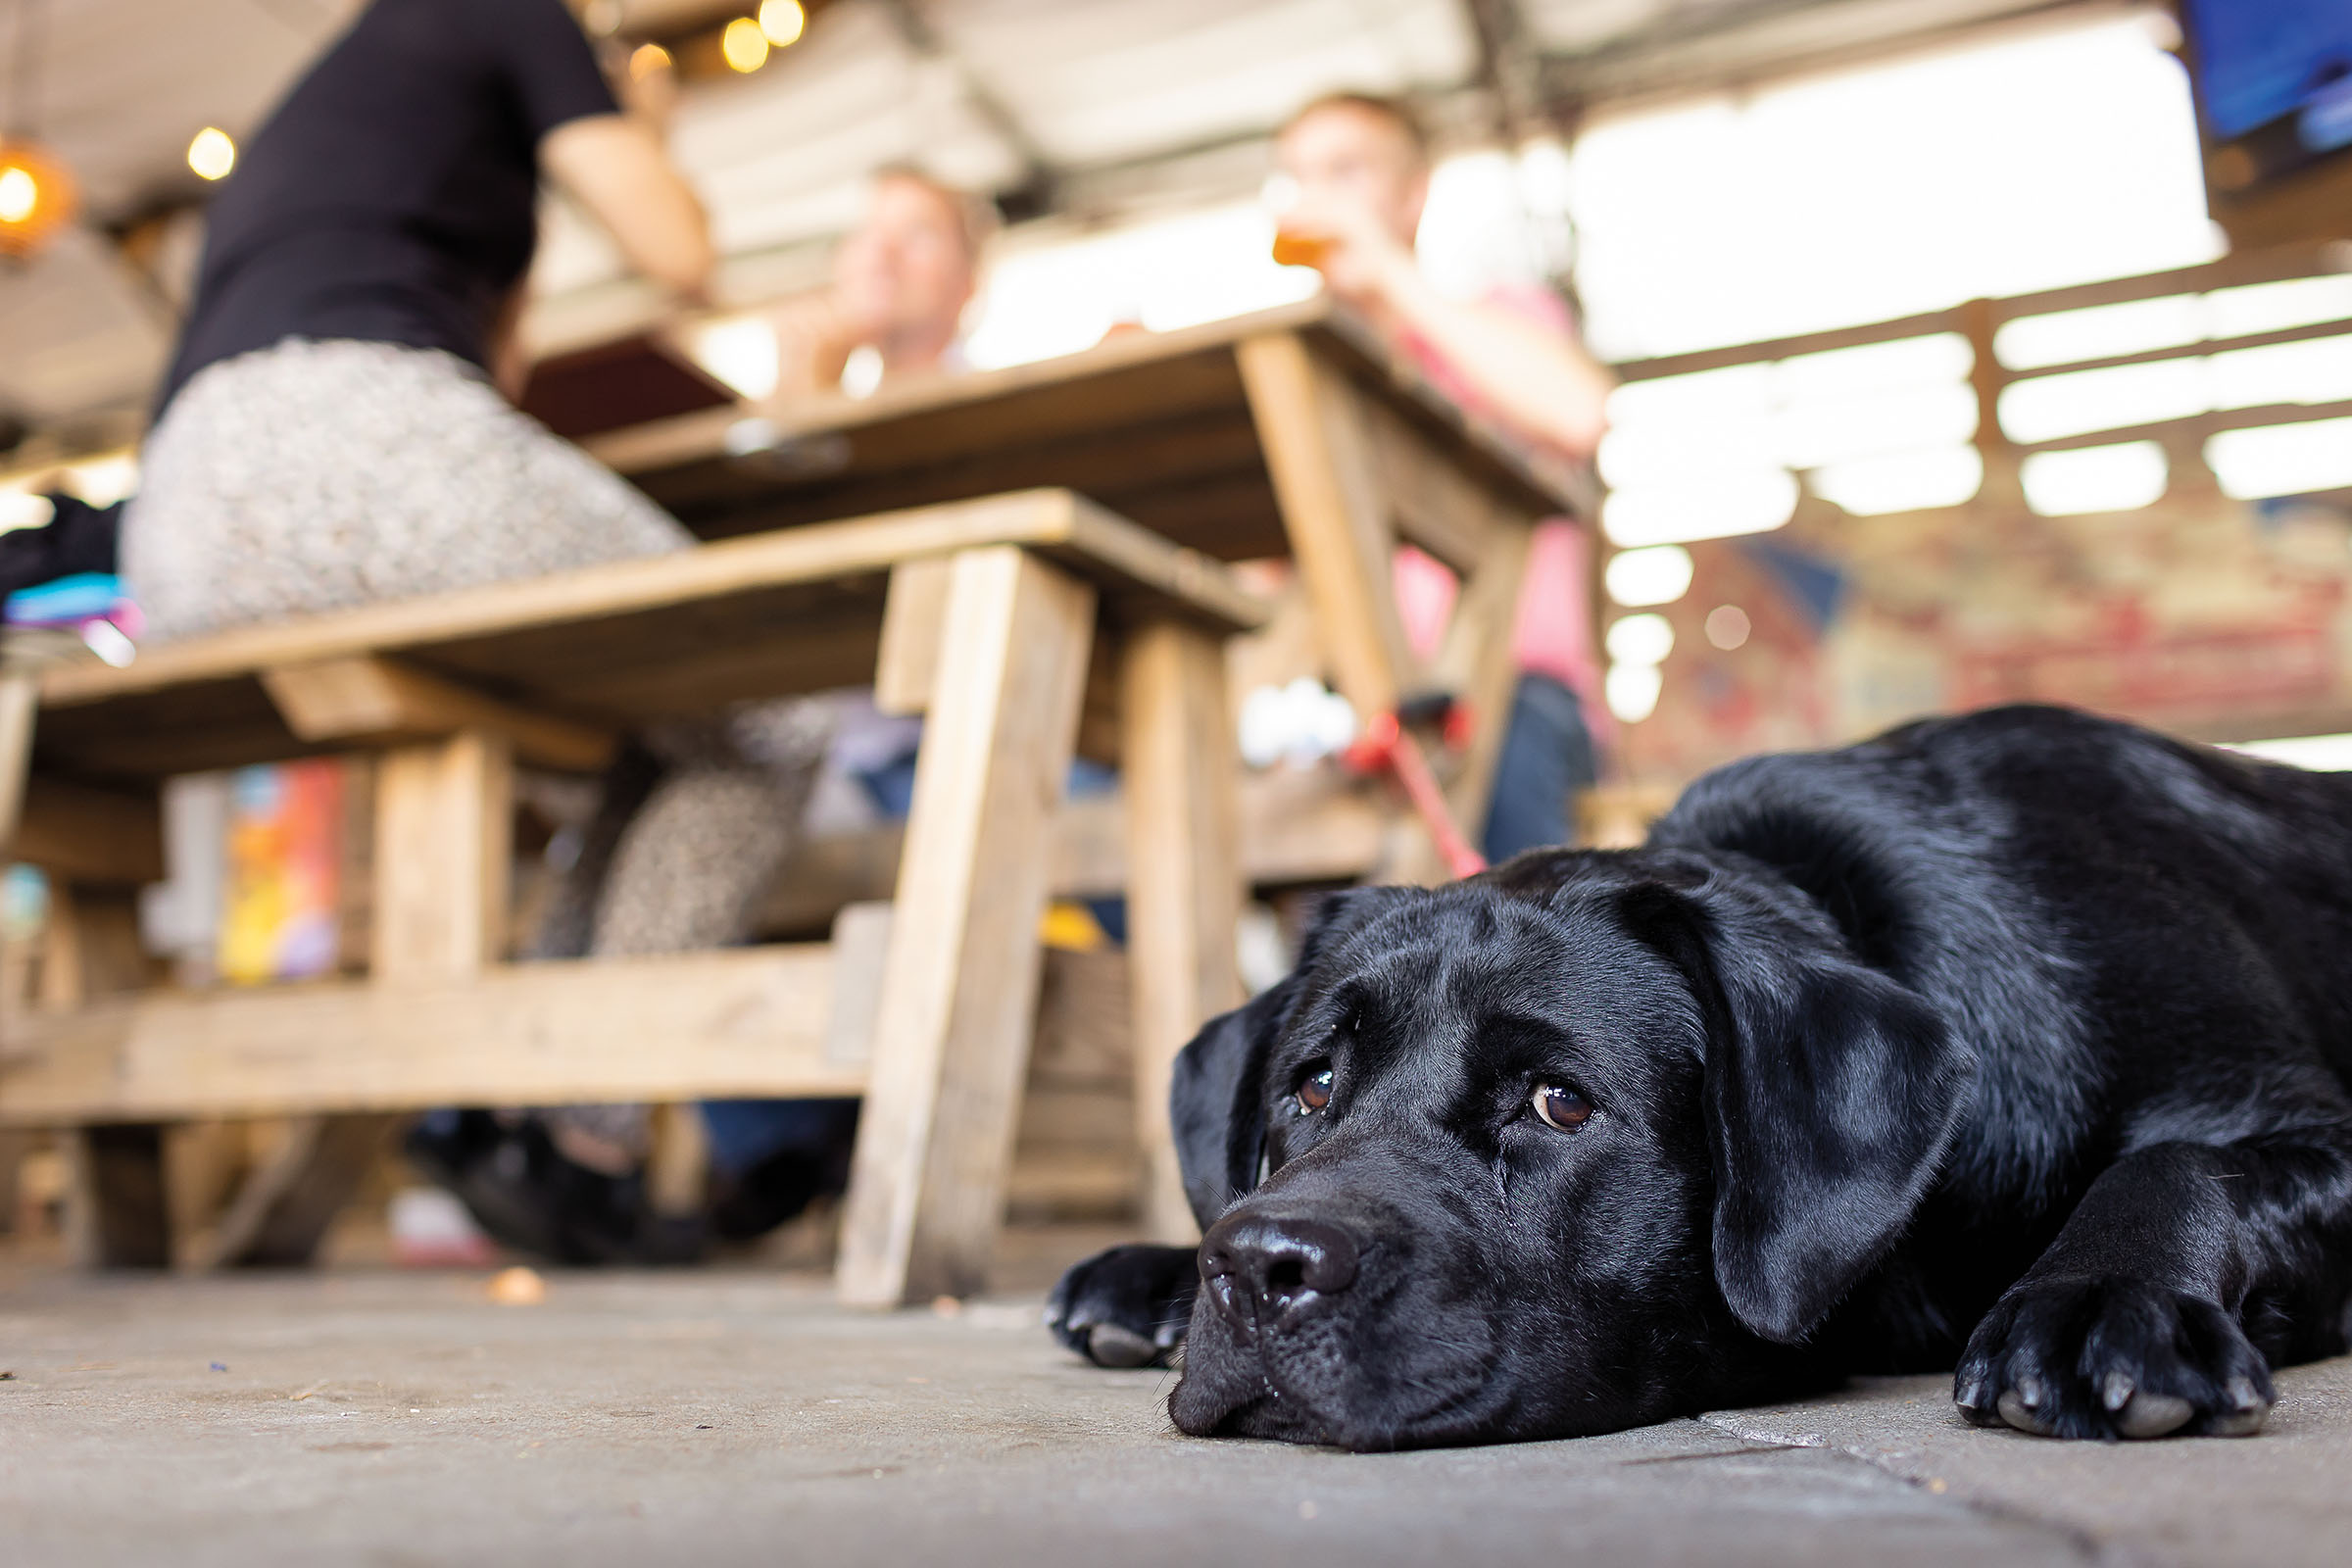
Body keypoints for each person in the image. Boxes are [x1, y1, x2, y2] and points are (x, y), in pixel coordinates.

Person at [120, 0, 841, 1262]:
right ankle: (583, 1144)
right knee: (777, 710)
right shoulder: (510, 7)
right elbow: (679, 249)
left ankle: (520, 1121)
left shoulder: (344, 97)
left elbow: (495, 363)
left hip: (175, 518)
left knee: (668, 735)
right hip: (354, 446)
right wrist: (634, 119)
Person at [1270, 92, 1617, 859]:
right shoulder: (1304, 377)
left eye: (1344, 171)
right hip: (1352, 718)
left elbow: (1580, 411)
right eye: (1296, 176)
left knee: (1512, 910)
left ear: (1412, 192)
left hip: (1518, 699)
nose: (1313, 196)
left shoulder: (1498, 316)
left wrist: (1390, 273)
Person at [767, 165, 992, 399]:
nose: (880, 250)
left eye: (917, 233)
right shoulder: (833, 387)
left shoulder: (989, 410)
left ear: (967, 284)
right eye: (870, 229)